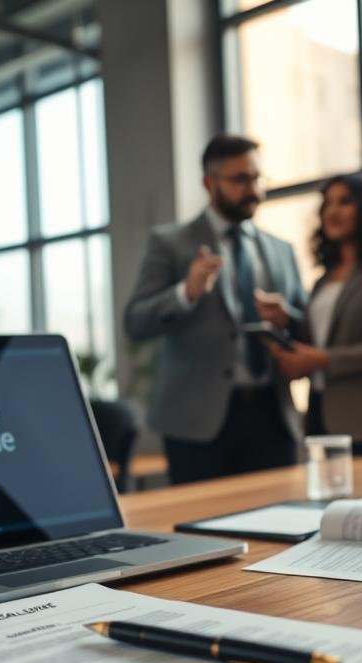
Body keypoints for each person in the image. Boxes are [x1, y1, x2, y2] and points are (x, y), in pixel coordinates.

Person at [123, 134, 307, 484]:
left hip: (272, 417)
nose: (253, 189)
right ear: (210, 183)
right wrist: (184, 293)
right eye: (240, 179)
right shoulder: (171, 243)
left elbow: (305, 325)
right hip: (196, 424)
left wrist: (288, 318)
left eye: (256, 178)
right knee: (203, 530)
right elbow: (135, 322)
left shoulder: (281, 250)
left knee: (282, 526)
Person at [263, 173, 362, 457]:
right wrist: (288, 318)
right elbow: (320, 336)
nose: (332, 211)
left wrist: (321, 359)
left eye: (344, 202)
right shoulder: (325, 277)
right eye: (327, 204)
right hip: (319, 411)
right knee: (324, 500)